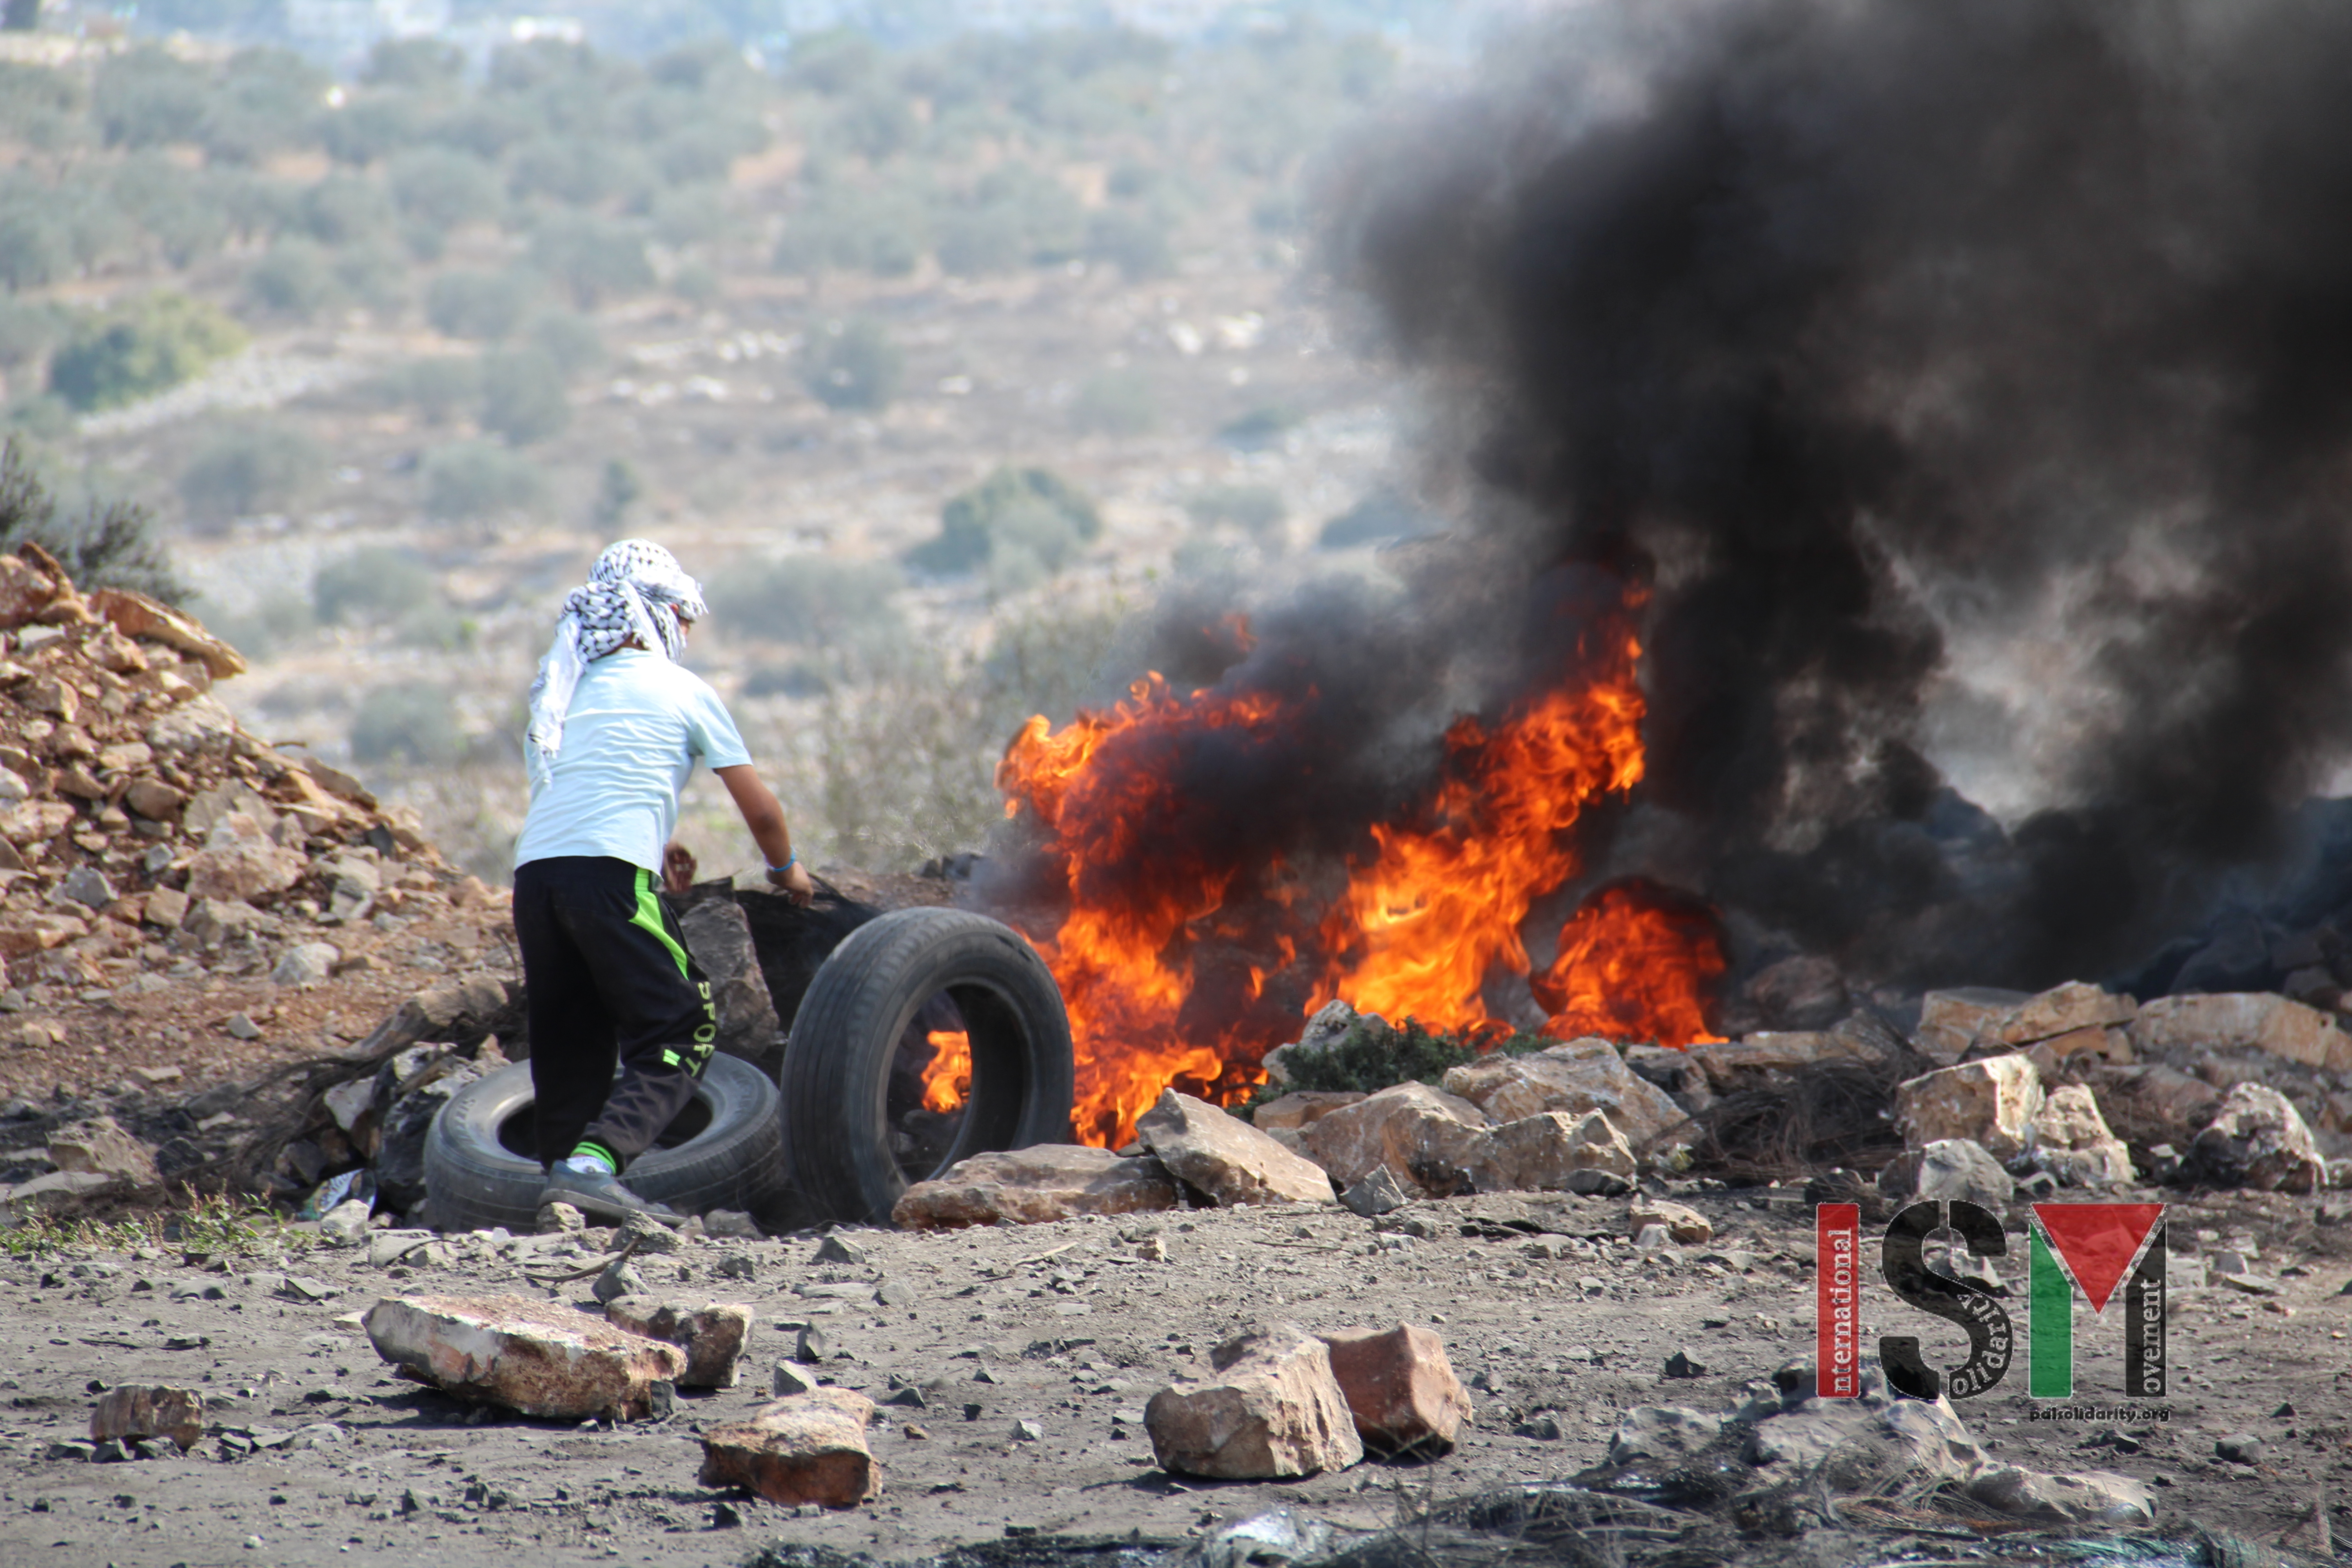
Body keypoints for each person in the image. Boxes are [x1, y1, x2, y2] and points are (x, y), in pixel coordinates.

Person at [511, 539, 815, 1225]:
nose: (688, 634)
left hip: (537, 879)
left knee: (571, 1032)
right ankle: (594, 1166)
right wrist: (785, 870)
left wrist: (654, 839)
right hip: (611, 878)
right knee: (683, 1021)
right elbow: (761, 809)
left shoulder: (570, 687)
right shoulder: (683, 690)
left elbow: (588, 787)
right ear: (657, 615)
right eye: (685, 618)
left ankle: (563, 1190)